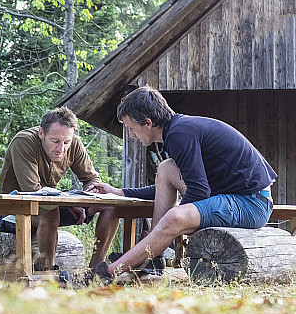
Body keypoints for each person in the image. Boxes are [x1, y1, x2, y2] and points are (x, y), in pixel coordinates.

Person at [89, 85, 276, 280]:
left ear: (148, 123)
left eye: (131, 128)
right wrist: (120, 192)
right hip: (232, 196)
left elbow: (199, 190)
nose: (131, 135)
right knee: (166, 168)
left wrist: (168, 228)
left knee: (174, 218)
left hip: (252, 203)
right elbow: (186, 183)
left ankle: (109, 272)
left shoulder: (179, 134)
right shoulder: (177, 130)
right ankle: (153, 256)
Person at [0, 107, 121, 271]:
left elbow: (91, 179)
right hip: (11, 212)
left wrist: (88, 197)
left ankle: (96, 269)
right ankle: (48, 271)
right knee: (50, 210)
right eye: (55, 141)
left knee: (111, 206)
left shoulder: (74, 143)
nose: (61, 148)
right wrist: (70, 204)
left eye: (66, 142)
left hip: (52, 205)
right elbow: (34, 192)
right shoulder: (23, 141)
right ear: (41, 133)